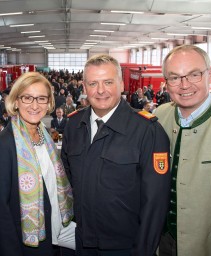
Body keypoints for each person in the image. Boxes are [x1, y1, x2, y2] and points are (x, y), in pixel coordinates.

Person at [61, 54, 171, 256]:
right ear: (84, 88)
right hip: (81, 243)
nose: (100, 90)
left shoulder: (147, 131)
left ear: (121, 84)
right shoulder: (74, 126)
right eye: (93, 83)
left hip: (125, 247)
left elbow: (155, 202)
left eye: (108, 82)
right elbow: (68, 183)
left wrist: (143, 251)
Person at [155, 45, 211, 256]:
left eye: (194, 74)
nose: (184, 85)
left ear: (210, 74)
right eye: (175, 77)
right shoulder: (160, 117)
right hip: (162, 243)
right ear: (166, 83)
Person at [0, 72, 75, 256]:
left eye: (41, 98)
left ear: (49, 103)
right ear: (16, 101)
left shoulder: (46, 137)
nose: (35, 105)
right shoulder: (2, 145)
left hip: (56, 237)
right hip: (25, 246)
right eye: (27, 97)